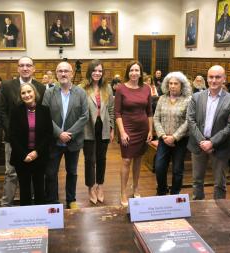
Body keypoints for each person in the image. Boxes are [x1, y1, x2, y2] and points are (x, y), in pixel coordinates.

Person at [187, 65, 230, 200]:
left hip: (220, 146)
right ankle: (199, 208)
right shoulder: (196, 97)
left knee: (220, 184)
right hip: (198, 145)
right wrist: (202, 142)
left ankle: (220, 213)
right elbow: (191, 120)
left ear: (224, 79)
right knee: (197, 181)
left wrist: (212, 142)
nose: (214, 80)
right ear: (207, 78)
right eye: (211, 77)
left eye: (218, 77)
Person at [0, 56, 46, 207]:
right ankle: (7, 205)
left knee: (33, 174)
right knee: (11, 173)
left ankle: (31, 204)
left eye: (28, 65)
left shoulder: (41, 88)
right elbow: (3, 112)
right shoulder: (7, 86)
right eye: (22, 65)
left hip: (34, 142)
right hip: (13, 141)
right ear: (18, 68)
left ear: (33, 68)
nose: (25, 68)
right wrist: (12, 134)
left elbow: (43, 115)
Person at [42, 61, 88, 209]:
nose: (63, 74)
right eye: (60, 71)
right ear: (56, 74)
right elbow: (45, 116)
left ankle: (71, 199)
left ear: (72, 73)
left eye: (66, 71)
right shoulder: (49, 92)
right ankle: (53, 201)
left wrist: (70, 133)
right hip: (54, 141)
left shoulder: (80, 93)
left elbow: (84, 116)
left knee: (72, 172)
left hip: (73, 141)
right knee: (51, 173)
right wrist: (59, 133)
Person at [115, 61, 153, 206]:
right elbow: (117, 113)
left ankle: (136, 187)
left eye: (137, 70)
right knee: (126, 160)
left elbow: (149, 112)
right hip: (127, 129)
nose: (134, 73)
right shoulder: (121, 89)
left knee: (138, 159)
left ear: (141, 73)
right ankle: (123, 192)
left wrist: (150, 130)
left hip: (143, 129)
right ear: (128, 72)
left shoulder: (146, 88)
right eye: (131, 70)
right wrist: (122, 132)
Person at [9, 83, 53, 205]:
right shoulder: (15, 111)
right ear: (20, 96)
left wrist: (36, 152)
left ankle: (40, 218)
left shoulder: (45, 110)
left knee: (39, 188)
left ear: (35, 93)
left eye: (29, 91)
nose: (27, 95)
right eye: (23, 93)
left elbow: (48, 134)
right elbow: (12, 136)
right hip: (22, 157)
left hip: (39, 156)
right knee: (24, 189)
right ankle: (26, 219)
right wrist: (25, 155)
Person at [80, 60, 114, 205]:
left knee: (101, 159)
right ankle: (90, 187)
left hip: (104, 127)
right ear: (89, 72)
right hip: (87, 128)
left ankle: (100, 186)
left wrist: (112, 129)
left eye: (100, 71)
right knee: (90, 160)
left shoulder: (107, 88)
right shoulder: (82, 88)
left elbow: (111, 110)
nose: (97, 73)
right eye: (94, 70)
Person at [153, 72, 192, 195]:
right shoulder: (162, 98)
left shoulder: (188, 100)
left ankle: (175, 193)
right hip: (163, 139)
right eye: (170, 83)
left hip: (180, 140)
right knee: (159, 167)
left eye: (176, 83)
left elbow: (188, 121)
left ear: (182, 85)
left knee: (177, 169)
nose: (173, 86)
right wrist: (163, 136)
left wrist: (174, 137)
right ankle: (162, 190)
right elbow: (156, 118)